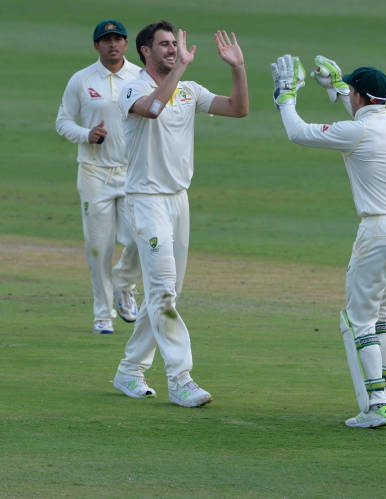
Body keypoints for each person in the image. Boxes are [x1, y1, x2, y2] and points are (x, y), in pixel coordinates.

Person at [271, 55, 386, 428]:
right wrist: (341, 89)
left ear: (359, 96)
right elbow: (364, 116)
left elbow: (297, 132)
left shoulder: (354, 132)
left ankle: (375, 405)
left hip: (379, 232)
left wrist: (285, 97)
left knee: (360, 319)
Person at [112, 21, 248, 407]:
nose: (173, 50)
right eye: (165, 45)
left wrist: (237, 68)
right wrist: (183, 68)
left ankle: (129, 369)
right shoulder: (133, 88)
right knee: (164, 291)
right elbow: (153, 109)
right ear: (145, 52)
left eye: (175, 45)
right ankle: (180, 378)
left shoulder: (189, 92)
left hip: (178, 200)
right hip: (146, 199)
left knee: (164, 293)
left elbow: (238, 109)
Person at [56, 19, 142, 335]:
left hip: (133, 173)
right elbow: (63, 122)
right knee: (99, 247)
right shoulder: (82, 80)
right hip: (94, 173)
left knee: (139, 239)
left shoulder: (139, 77)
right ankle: (103, 315)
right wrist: (86, 134)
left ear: (126, 44)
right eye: (106, 40)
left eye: (118, 39)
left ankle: (124, 284)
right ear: (97, 46)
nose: (113, 44)